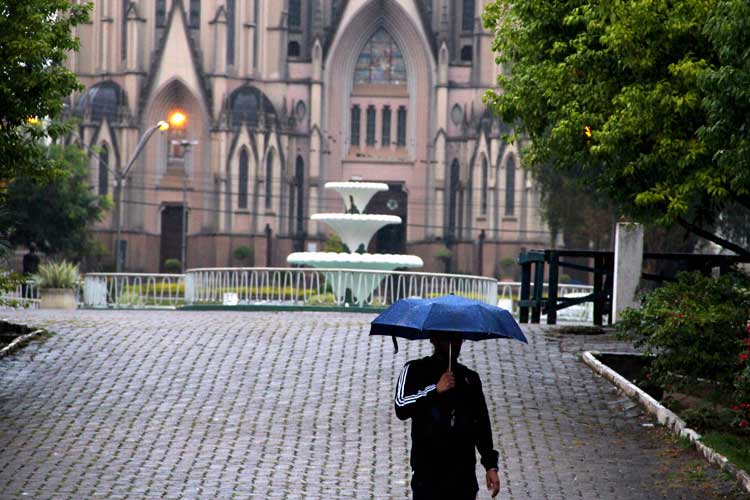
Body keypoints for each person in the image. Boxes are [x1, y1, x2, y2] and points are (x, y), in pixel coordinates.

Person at [395, 332, 501, 500]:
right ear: (434, 339)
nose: (454, 344)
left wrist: (490, 466)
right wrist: (435, 390)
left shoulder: (469, 378)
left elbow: (481, 424)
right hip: (428, 473)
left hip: (463, 475)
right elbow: (401, 407)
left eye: (458, 339)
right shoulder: (415, 370)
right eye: (447, 338)